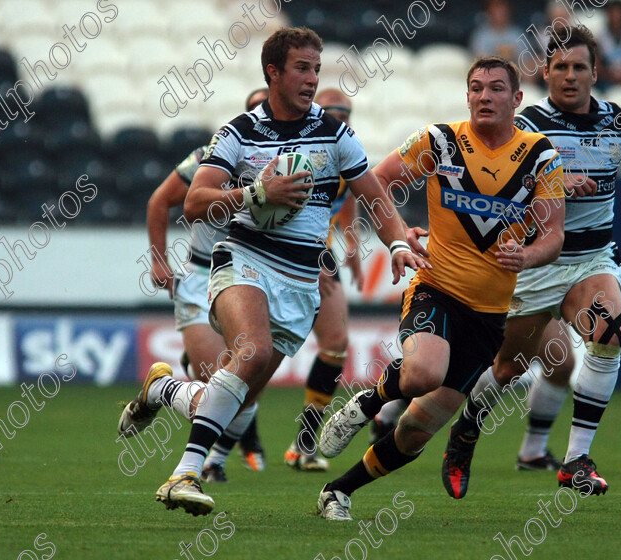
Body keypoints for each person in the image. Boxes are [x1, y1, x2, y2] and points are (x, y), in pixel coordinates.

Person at [118, 27, 426, 516]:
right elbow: (194, 204)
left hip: (302, 281)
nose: (311, 79)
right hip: (244, 259)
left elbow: (373, 193)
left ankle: (162, 387)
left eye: (316, 69)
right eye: (302, 68)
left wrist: (395, 240)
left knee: (234, 400)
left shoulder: (336, 133)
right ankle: (184, 474)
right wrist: (255, 196)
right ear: (274, 72)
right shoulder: (239, 131)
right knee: (252, 350)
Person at [315, 56, 566, 521]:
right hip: (437, 286)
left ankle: (338, 491)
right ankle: (365, 404)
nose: (483, 96)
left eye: (495, 88)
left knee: (417, 429)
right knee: (424, 373)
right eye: (475, 87)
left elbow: (554, 235)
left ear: (517, 99)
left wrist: (528, 256)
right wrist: (398, 233)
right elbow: (379, 181)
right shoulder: (441, 141)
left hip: (491, 314)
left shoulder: (541, 155)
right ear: (466, 95)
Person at [442, 25, 621, 499]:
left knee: (609, 335)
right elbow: (495, 191)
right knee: (507, 367)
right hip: (535, 262)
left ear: (595, 72)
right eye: (560, 66)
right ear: (545, 72)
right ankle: (464, 434)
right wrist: (555, 181)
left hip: (591, 259)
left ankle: (577, 458)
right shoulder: (526, 126)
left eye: (580, 66)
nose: (570, 75)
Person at [141, 88, 269, 483]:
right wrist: (159, 260)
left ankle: (213, 459)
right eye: (257, 111)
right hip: (201, 277)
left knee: (243, 384)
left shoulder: (291, 162)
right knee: (219, 381)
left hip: (254, 277)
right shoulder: (208, 158)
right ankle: (167, 391)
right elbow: (160, 201)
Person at [284, 88, 364, 471]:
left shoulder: (347, 154)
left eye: (345, 114)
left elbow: (348, 200)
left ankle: (303, 445)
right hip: (277, 252)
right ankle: (213, 450)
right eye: (333, 112)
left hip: (321, 253)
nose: (340, 119)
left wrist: (353, 248)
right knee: (254, 354)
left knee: (336, 344)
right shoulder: (303, 155)